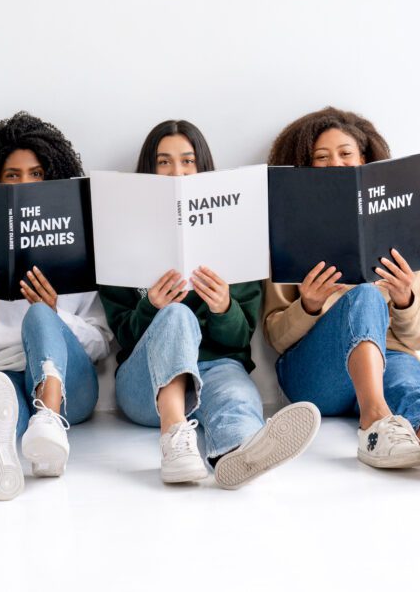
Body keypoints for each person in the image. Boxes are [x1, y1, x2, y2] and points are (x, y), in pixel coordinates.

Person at [264, 107, 420, 482]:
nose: (335, 163)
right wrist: (309, 305)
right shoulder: (285, 228)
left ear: (364, 159)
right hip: (315, 376)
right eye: (321, 158)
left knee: (410, 383)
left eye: (345, 154)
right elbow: (275, 336)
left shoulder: (398, 227)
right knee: (367, 296)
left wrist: (404, 299)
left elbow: (419, 337)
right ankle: (376, 421)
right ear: (305, 167)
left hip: (389, 357)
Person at [98, 120, 321, 489]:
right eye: (164, 162)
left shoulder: (235, 232)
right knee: (176, 314)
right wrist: (151, 307)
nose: (177, 171)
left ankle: (240, 452)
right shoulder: (119, 232)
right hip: (147, 385)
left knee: (238, 400)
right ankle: (174, 442)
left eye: (187, 161)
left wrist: (223, 307)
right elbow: (123, 335)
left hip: (217, 368)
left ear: (202, 168)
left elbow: (240, 337)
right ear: (149, 170)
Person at [0, 112, 111, 501]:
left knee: (39, 314)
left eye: (36, 174)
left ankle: (49, 419)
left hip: (69, 386)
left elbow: (102, 343)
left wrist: (55, 317)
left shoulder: (79, 251)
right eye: (12, 175)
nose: (25, 183)